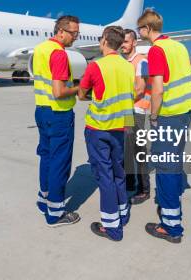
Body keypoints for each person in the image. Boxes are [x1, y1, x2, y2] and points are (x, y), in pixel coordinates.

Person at [137, 9, 191, 243]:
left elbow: (159, 89)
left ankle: (171, 227)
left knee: (165, 168)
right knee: (174, 163)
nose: (140, 33)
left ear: (148, 29)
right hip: (184, 112)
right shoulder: (179, 46)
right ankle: (171, 215)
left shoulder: (156, 51)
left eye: (140, 29)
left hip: (169, 114)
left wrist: (154, 116)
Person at [78, 26, 135, 241]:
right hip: (122, 128)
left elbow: (82, 94)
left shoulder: (96, 66)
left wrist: (91, 95)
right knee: (119, 172)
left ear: (103, 42)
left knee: (105, 176)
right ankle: (122, 212)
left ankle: (111, 227)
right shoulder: (129, 66)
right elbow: (132, 94)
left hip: (99, 128)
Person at [33, 15, 81, 227]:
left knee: (46, 156)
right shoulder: (59, 54)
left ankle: (44, 199)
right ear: (61, 31)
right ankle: (56, 213)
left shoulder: (41, 49)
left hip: (42, 110)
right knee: (60, 162)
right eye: (73, 33)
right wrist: (79, 88)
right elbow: (59, 91)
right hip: (59, 113)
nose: (76, 38)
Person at [120, 28, 151, 205]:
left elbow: (139, 90)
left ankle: (144, 189)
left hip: (137, 111)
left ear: (134, 43)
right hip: (127, 111)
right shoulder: (126, 62)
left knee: (139, 151)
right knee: (127, 148)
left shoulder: (141, 62)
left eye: (126, 41)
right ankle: (130, 182)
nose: (122, 45)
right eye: (121, 42)